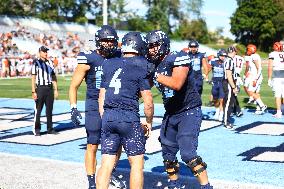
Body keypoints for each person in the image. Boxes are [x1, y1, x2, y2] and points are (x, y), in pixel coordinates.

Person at [146, 30, 212, 189]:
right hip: (171, 113)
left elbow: (177, 83)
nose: (152, 49)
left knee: (188, 154)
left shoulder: (178, 57)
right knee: (167, 155)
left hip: (188, 111)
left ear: (164, 44)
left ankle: (206, 186)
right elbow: (145, 88)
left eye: (155, 45)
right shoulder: (154, 64)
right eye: (150, 46)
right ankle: (174, 184)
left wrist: (153, 74)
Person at [69, 25, 125, 189]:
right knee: (93, 143)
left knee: (118, 141)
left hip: (114, 104)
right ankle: (92, 180)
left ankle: (109, 171)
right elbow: (74, 86)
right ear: (99, 41)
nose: (109, 44)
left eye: (111, 41)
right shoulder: (88, 59)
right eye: (106, 41)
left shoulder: (119, 56)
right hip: (94, 105)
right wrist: (73, 107)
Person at [96, 32, 154, 189]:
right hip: (128, 118)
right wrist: (149, 122)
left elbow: (101, 95)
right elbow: (148, 102)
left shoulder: (108, 63)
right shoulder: (142, 64)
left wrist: (105, 117)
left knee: (106, 164)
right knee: (136, 165)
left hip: (108, 116)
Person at [31, 46, 59, 136]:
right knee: (38, 110)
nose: (46, 53)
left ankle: (50, 128)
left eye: (46, 51)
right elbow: (33, 77)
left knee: (49, 110)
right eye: (44, 51)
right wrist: (33, 91)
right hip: (40, 88)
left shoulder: (50, 63)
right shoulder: (36, 63)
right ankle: (37, 129)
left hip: (49, 88)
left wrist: (56, 89)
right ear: (39, 52)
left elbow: (53, 76)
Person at [243, 44, 267, 114]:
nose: (247, 51)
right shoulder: (252, 56)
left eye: (248, 49)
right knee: (256, 93)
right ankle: (258, 109)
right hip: (255, 76)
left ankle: (262, 106)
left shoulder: (254, 56)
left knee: (250, 92)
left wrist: (255, 79)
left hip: (256, 77)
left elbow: (259, 68)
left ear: (251, 50)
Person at [208, 49, 226, 121]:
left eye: (224, 56)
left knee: (221, 99)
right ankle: (217, 110)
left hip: (223, 82)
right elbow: (208, 68)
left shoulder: (227, 62)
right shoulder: (213, 61)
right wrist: (206, 76)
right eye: (222, 55)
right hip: (215, 82)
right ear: (219, 55)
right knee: (215, 99)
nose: (223, 57)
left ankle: (221, 114)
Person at [222, 48, 238, 129]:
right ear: (233, 52)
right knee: (228, 102)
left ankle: (226, 120)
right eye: (235, 52)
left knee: (229, 102)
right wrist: (233, 86)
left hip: (229, 82)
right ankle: (226, 122)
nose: (236, 54)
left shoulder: (228, 60)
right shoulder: (229, 60)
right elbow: (228, 75)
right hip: (228, 83)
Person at [268, 42, 284, 118]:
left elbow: (270, 66)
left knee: (278, 94)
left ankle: (279, 112)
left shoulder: (272, 54)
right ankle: (282, 109)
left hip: (277, 76)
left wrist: (269, 78)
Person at [231, 46, 244, 117]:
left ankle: (238, 110)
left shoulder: (230, 58)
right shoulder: (241, 58)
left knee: (232, 95)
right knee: (233, 95)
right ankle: (235, 110)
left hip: (234, 77)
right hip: (238, 77)